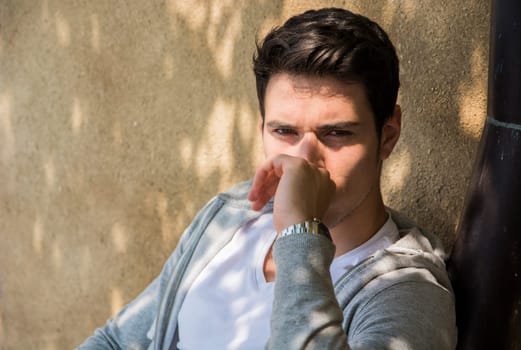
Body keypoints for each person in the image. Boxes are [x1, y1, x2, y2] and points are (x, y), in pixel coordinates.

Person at [78, 7, 456, 350]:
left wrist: (300, 233)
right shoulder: (229, 217)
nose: (305, 159)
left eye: (337, 133)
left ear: (387, 136)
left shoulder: (408, 294)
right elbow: (117, 340)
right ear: (262, 130)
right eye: (284, 132)